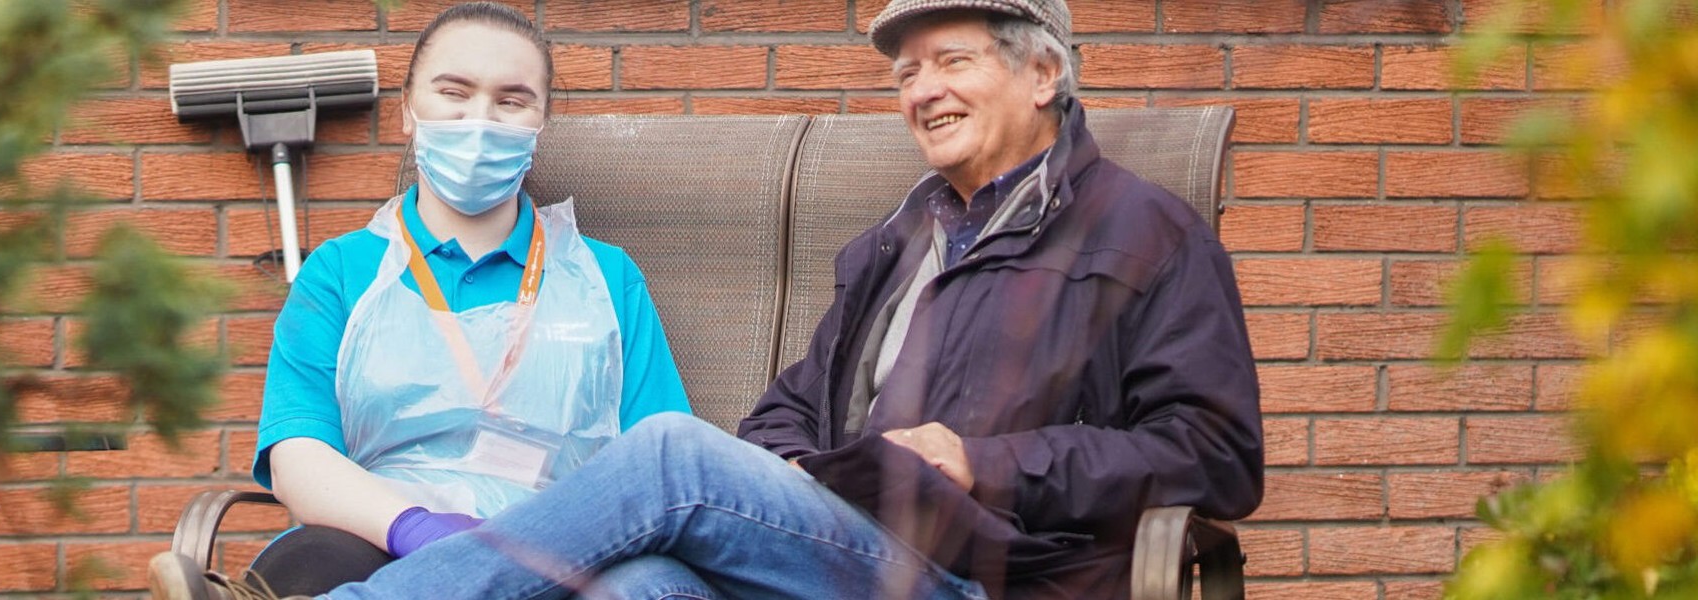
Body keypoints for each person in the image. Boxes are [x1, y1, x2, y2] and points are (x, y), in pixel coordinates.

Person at [159, 0, 1263, 598]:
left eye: (951, 60)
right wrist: (788, 469)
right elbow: (790, 405)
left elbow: (1215, 457)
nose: (921, 90)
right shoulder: (898, 240)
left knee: (674, 459)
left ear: (1042, 72)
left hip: (994, 571)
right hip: (844, 545)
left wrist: (983, 462)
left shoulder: (1143, 232)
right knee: (645, 584)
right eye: (904, 73)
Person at [145, 3, 697, 599]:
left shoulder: (606, 279)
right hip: (379, 535)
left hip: (568, 549)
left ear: (541, 121)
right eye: (453, 92)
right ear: (409, 110)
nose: (479, 119)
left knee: (657, 583)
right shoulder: (340, 273)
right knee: (311, 562)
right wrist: (414, 527)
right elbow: (298, 456)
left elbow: (659, 462)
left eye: (511, 101)